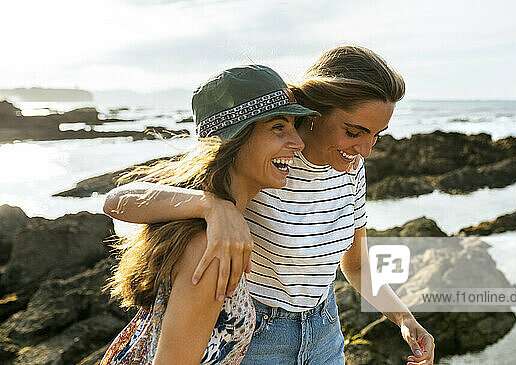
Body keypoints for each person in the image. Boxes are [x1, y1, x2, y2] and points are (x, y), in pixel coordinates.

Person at [104, 46, 435, 365]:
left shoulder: (350, 171)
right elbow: (120, 200)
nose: (365, 150)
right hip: (255, 335)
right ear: (317, 113)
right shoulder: (267, 163)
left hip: (325, 331)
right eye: (354, 132)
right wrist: (213, 207)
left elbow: (358, 266)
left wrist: (405, 319)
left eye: (376, 136)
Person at [100, 65, 318, 365]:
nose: (298, 142)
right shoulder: (210, 248)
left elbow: (120, 200)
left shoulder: (202, 212)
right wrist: (211, 206)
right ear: (234, 139)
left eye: (295, 126)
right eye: (278, 127)